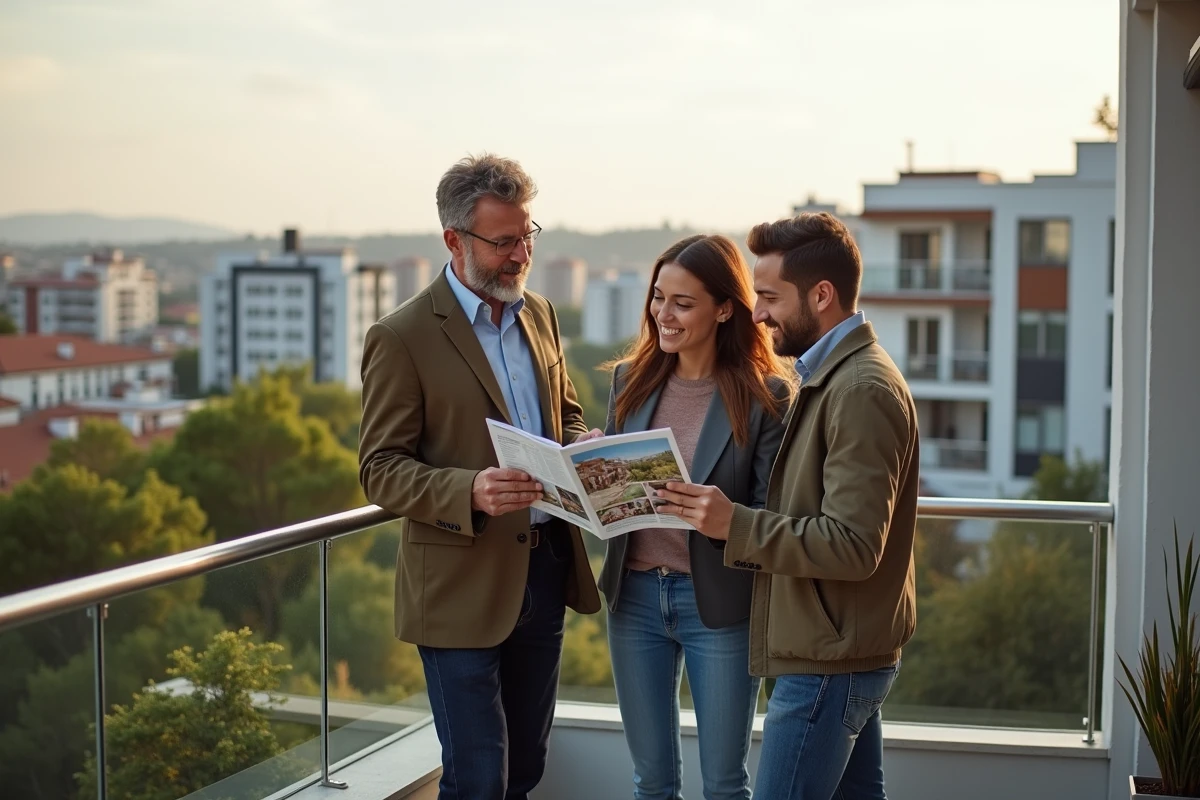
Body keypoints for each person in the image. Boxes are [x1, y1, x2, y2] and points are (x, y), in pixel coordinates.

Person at [358, 153, 603, 800]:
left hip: (545, 569)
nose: (521, 254)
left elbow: (566, 414)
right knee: (477, 782)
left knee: (523, 771)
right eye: (503, 242)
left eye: (528, 236)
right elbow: (380, 470)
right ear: (453, 240)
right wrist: (469, 489)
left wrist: (585, 446)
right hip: (458, 588)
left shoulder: (541, 314)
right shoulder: (401, 336)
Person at [654, 212, 919, 800]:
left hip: (828, 661)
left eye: (770, 296)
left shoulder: (860, 390)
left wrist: (734, 523)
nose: (758, 313)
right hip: (835, 647)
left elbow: (853, 546)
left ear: (821, 295)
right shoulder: (831, 376)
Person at [598, 234, 791, 800]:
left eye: (682, 303)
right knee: (651, 782)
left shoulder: (765, 397)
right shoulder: (628, 382)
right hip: (633, 598)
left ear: (725, 308)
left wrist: (725, 519)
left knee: (725, 784)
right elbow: (619, 495)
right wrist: (590, 469)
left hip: (719, 607)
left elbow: (771, 517)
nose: (664, 314)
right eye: (659, 298)